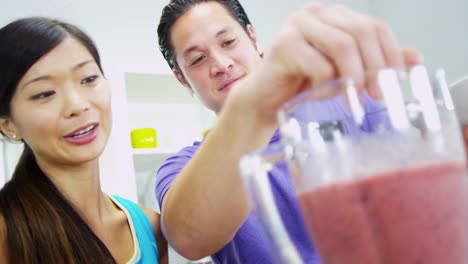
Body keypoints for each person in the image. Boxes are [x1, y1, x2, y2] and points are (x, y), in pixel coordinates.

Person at [155, 0, 420, 263]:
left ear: (253, 38)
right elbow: (189, 238)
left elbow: (415, 200)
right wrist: (255, 103)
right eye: (198, 59)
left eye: (228, 43)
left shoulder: (352, 104)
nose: (222, 64)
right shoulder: (183, 168)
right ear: (182, 78)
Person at [0, 17, 168, 263]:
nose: (78, 105)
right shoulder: (7, 233)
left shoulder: (149, 226)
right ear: (8, 124)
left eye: (89, 79)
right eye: (44, 93)